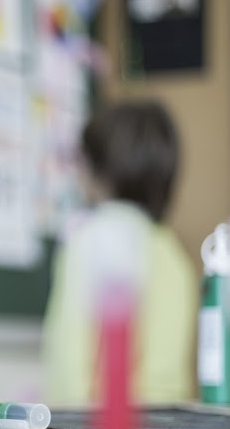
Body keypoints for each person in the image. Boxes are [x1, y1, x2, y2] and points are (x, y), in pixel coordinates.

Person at [41, 99, 196, 406]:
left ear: (100, 171)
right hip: (171, 426)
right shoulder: (173, 252)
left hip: (102, 428)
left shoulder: (90, 241)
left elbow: (70, 359)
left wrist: (64, 419)